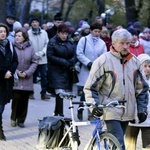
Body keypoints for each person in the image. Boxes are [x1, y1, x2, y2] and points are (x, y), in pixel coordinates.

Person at [83, 28, 149, 150]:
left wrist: (142, 109)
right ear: (113, 43)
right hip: (109, 110)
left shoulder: (134, 61)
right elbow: (90, 88)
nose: (125, 46)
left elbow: (142, 89)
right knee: (119, 145)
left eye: (128, 43)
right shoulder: (103, 61)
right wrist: (94, 105)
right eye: (122, 43)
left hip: (127, 111)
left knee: (115, 145)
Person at [76, 22, 107, 120]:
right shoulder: (84, 40)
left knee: (94, 91)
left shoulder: (102, 43)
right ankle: (80, 108)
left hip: (97, 70)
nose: (97, 33)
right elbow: (79, 53)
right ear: (90, 31)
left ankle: (91, 112)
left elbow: (104, 56)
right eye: (95, 31)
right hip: (86, 69)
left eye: (99, 31)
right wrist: (88, 63)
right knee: (86, 91)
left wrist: (98, 65)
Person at [47, 23, 77, 116]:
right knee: (59, 93)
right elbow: (50, 56)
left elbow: (75, 54)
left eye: (66, 33)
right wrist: (64, 62)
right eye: (62, 33)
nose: (64, 35)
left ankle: (57, 113)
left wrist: (71, 61)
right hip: (56, 71)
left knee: (65, 94)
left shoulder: (70, 42)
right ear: (58, 33)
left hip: (67, 71)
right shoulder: (52, 42)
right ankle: (60, 114)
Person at [10, 28, 38, 128]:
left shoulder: (30, 47)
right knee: (16, 98)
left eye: (19, 36)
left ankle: (21, 120)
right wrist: (17, 72)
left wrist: (27, 73)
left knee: (24, 100)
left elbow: (34, 62)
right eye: (16, 36)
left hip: (27, 77)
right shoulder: (12, 46)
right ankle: (13, 117)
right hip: (15, 77)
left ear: (24, 37)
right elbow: (9, 62)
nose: (17, 38)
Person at [125, 53, 150, 150]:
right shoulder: (132, 79)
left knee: (148, 145)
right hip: (133, 117)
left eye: (149, 66)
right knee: (130, 145)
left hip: (148, 119)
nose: (147, 68)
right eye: (145, 66)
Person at [0, 23, 18, 140]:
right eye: (0, 31)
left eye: (4, 31)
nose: (3, 33)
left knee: (2, 106)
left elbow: (15, 61)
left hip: (7, 82)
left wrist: (9, 72)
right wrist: (3, 73)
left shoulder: (10, 45)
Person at [28, 17, 50, 100]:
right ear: (31, 24)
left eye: (36, 22)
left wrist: (42, 53)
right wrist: (34, 55)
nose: (35, 23)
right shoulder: (28, 33)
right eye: (33, 22)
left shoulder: (44, 33)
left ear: (39, 23)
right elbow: (28, 45)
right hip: (32, 58)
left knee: (44, 76)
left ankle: (43, 93)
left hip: (43, 59)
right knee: (32, 76)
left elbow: (47, 44)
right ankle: (30, 92)